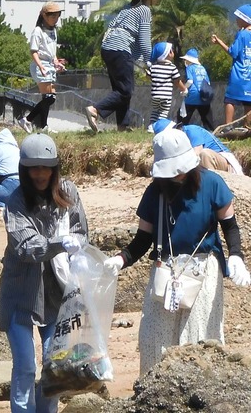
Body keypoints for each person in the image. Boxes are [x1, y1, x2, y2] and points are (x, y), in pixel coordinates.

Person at [103, 128, 251, 375]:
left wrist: (236, 255)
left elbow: (230, 227)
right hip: (167, 270)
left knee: (197, 335)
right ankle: (154, 390)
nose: (178, 174)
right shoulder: (155, 192)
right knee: (154, 338)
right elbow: (142, 240)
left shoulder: (213, 184)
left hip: (203, 268)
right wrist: (121, 259)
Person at [0, 133, 89, 413]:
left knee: (54, 363)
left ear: (55, 167)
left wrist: (78, 246)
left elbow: (81, 231)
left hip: (57, 292)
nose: (40, 174)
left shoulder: (69, 192)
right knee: (25, 366)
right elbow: (26, 248)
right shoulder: (15, 201)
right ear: (24, 170)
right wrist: (60, 243)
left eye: (46, 167)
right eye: (34, 168)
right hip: (21, 292)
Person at [86, 0, 167, 133]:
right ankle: (95, 109)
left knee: (121, 89)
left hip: (108, 48)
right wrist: (151, 63)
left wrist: (141, 62)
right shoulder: (144, 10)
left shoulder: (128, 7)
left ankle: (123, 126)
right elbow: (144, 42)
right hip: (120, 49)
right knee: (125, 91)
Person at [22, 2, 65, 132]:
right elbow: (33, 51)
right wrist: (40, 66)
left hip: (50, 65)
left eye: (57, 16)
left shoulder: (53, 31)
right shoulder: (37, 31)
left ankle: (43, 126)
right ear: (44, 16)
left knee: (49, 97)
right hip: (40, 65)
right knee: (49, 97)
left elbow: (53, 53)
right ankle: (27, 119)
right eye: (53, 16)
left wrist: (57, 63)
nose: (55, 19)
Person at [152, 119, 243, 176]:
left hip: (224, 162)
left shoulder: (192, 130)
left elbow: (197, 153)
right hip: (204, 166)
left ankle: (210, 186)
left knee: (204, 154)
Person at [211, 4, 251, 126]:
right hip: (250, 75)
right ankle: (248, 128)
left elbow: (233, 52)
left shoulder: (242, 34)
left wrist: (219, 42)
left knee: (230, 99)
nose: (236, 21)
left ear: (245, 19)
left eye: (238, 18)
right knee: (249, 102)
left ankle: (227, 127)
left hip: (239, 73)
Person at [147, 41, 185, 127]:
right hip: (166, 96)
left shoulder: (153, 67)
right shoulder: (172, 67)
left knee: (155, 111)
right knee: (163, 112)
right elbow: (177, 81)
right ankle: (158, 127)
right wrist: (184, 89)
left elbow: (148, 76)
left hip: (155, 95)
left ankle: (151, 126)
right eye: (171, 50)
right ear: (168, 54)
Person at [179, 48, 214, 129]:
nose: (185, 61)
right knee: (206, 117)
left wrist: (184, 88)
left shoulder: (189, 68)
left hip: (192, 95)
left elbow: (190, 81)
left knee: (184, 115)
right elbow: (208, 83)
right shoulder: (202, 68)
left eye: (185, 59)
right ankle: (212, 132)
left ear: (189, 60)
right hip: (204, 95)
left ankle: (180, 129)